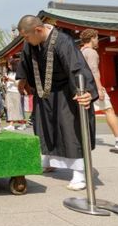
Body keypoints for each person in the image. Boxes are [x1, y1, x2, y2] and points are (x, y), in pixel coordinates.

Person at [15, 16, 97, 190]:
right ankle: (49, 161)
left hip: (66, 92)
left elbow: (77, 67)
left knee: (69, 130)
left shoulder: (63, 41)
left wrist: (85, 91)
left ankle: (79, 174)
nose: (25, 40)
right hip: (44, 92)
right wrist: (22, 78)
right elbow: (25, 60)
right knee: (45, 128)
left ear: (38, 30)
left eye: (27, 36)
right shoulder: (30, 43)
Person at [79, 29, 118, 150]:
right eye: (96, 37)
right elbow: (94, 71)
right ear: (92, 38)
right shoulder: (92, 52)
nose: (97, 40)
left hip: (82, 87)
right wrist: (99, 88)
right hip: (93, 87)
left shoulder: (80, 51)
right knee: (109, 110)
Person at [3, 57, 25, 131]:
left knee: (17, 108)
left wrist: (10, 79)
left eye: (10, 65)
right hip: (9, 91)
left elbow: (18, 83)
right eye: (8, 65)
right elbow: (6, 84)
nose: (9, 66)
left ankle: (20, 124)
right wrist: (5, 81)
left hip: (16, 91)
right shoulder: (8, 73)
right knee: (10, 108)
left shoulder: (18, 73)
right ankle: (14, 124)